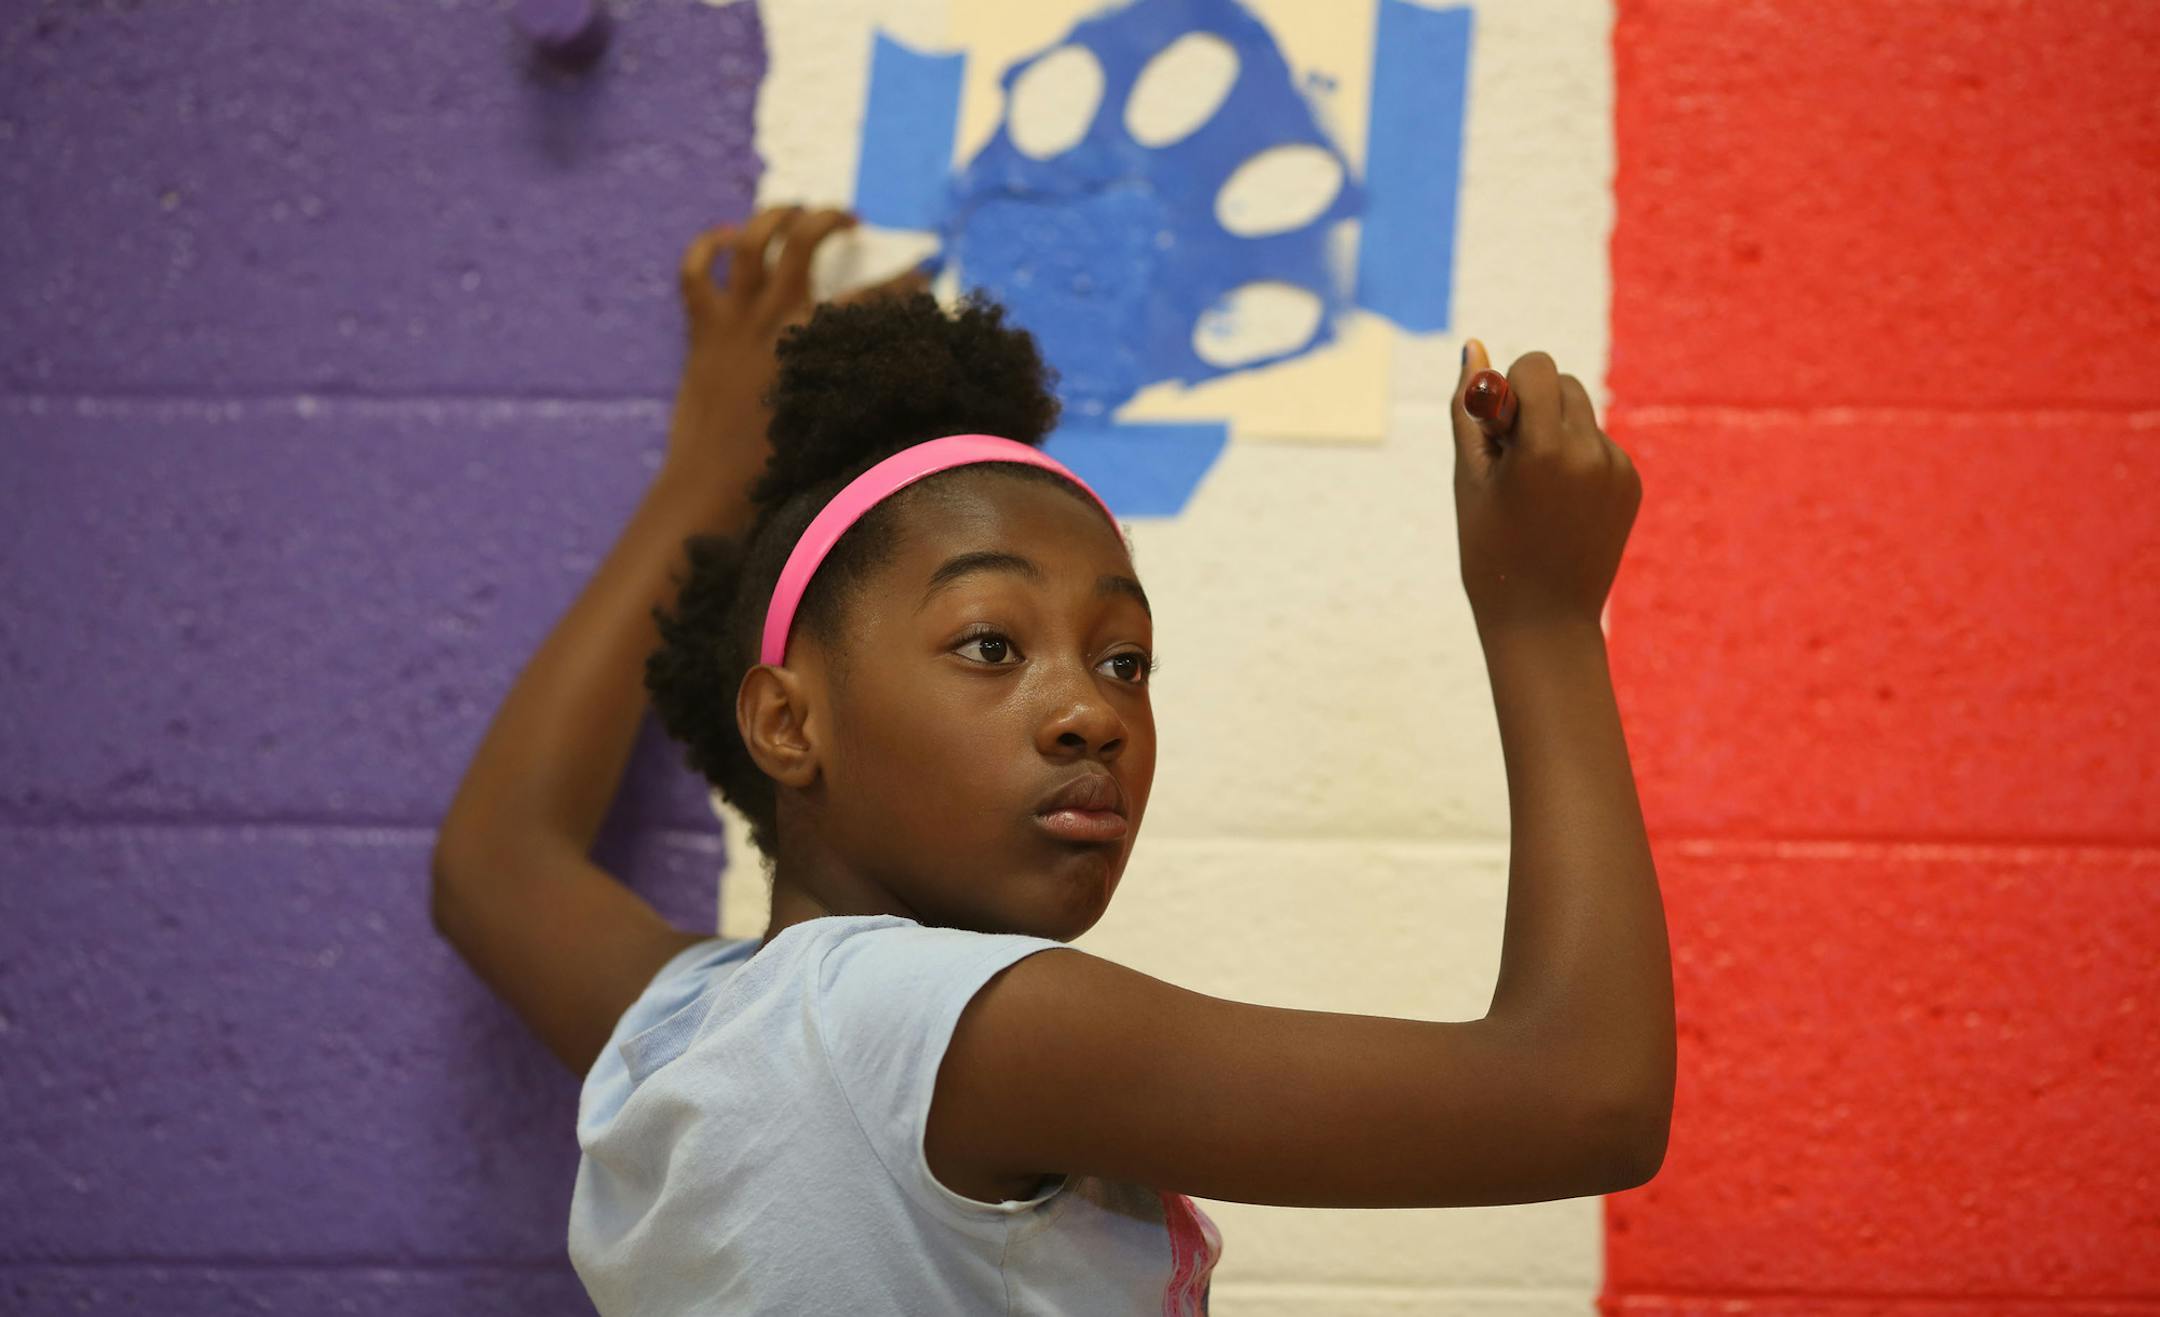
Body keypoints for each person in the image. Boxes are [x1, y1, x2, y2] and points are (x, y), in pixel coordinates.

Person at [430, 204, 1674, 1315]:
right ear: (787, 724)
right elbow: (1586, 1101)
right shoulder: (977, 1027)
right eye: (989, 644)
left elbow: (496, 863)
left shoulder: (689, 1025)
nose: (1091, 713)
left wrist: (702, 469)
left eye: (1126, 660)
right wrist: (1545, 615)